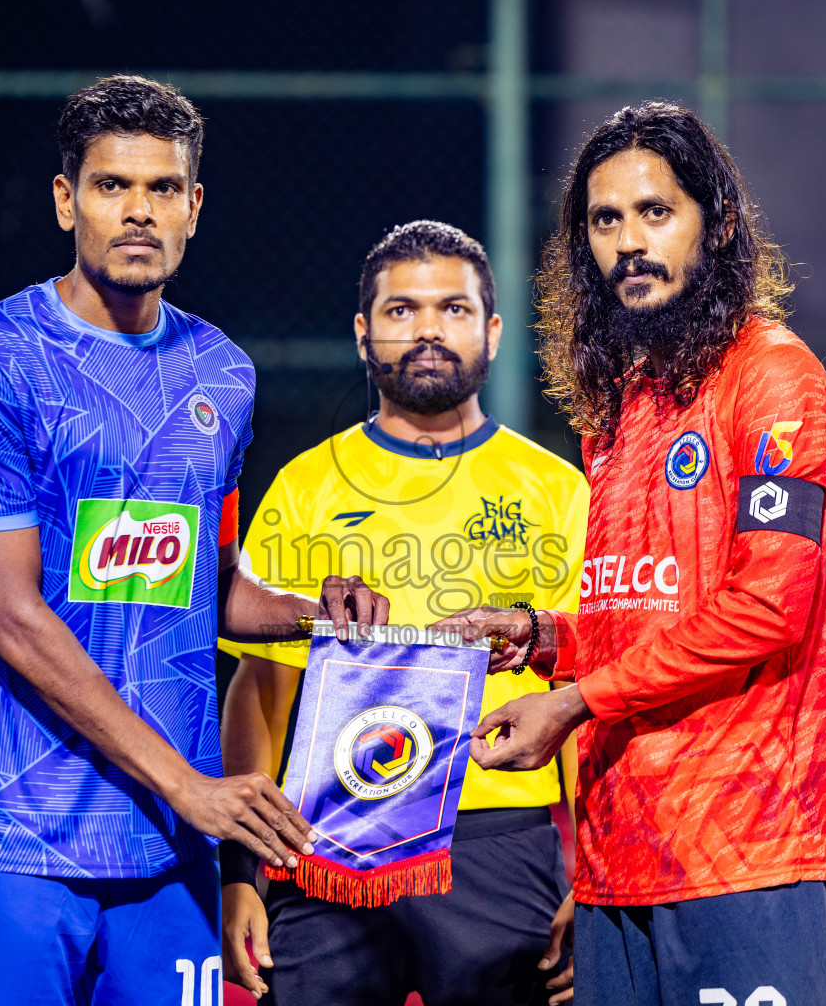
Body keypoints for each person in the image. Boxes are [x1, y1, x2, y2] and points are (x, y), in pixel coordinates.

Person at [0, 75, 387, 1006]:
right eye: (112, 186)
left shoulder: (222, 371)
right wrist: (189, 784)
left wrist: (315, 615)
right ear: (67, 201)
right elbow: (7, 615)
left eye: (163, 188)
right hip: (18, 840)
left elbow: (205, 585)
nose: (139, 210)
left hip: (170, 850)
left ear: (194, 207)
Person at [443, 101, 826, 1005]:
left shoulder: (773, 375)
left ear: (716, 225)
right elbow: (644, 610)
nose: (629, 242)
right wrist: (541, 638)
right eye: (605, 221)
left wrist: (574, 702)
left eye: (655, 212)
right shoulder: (623, 401)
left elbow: (767, 607)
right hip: (621, 851)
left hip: (751, 845)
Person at [216, 220, 590, 1006]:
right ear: (363, 333)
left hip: (499, 838)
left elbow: (585, 689)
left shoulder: (558, 491)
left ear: (492, 331)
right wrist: (239, 872)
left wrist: (593, 872)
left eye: (453, 309)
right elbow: (260, 691)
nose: (428, 329)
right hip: (327, 837)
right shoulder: (305, 486)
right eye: (401, 310)